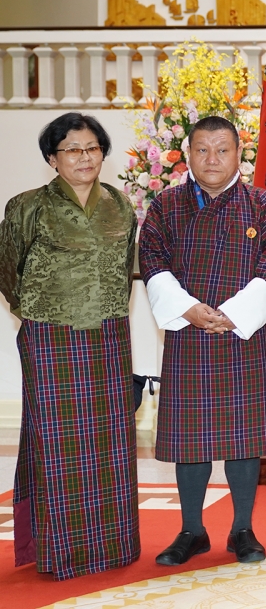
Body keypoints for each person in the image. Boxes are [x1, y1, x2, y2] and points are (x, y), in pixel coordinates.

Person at [139, 115, 266, 566]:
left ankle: (242, 529)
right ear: (187, 155)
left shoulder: (260, 204)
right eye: (202, 150)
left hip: (241, 334)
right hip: (189, 335)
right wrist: (189, 309)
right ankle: (192, 530)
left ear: (238, 154)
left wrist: (234, 314)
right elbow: (152, 258)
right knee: (190, 440)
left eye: (222, 149)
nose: (212, 159)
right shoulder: (166, 205)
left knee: (244, 440)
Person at [0, 114, 139, 580]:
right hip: (50, 335)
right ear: (52, 159)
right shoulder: (26, 207)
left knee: (111, 444)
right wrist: (41, 311)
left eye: (92, 148)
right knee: (57, 443)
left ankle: (114, 547)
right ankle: (63, 551)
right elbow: (9, 271)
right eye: (72, 149)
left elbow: (124, 271)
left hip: (109, 336)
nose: (84, 157)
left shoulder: (121, 206)